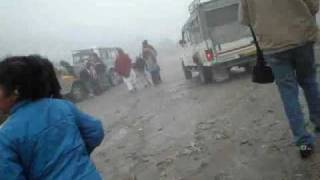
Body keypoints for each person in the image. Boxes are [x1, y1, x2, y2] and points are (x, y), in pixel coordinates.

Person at [0, 55, 104, 179]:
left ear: (15, 91)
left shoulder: (5, 135)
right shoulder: (62, 106)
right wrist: (76, 156)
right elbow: (95, 130)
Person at [240, 0, 320, 158]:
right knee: (309, 81)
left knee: (288, 92)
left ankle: (303, 142)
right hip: (302, 37)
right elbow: (314, 5)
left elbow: (246, 19)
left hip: (273, 46)